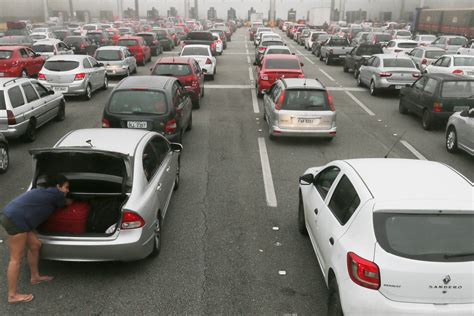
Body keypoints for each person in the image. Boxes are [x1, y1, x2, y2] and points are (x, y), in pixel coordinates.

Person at [0, 174, 70, 304]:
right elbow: (64, 204)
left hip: (11, 214)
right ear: (58, 186)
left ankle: (35, 277)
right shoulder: (57, 194)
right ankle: (12, 295)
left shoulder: (41, 190)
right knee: (16, 258)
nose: (68, 190)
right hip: (15, 220)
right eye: (66, 187)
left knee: (35, 245)